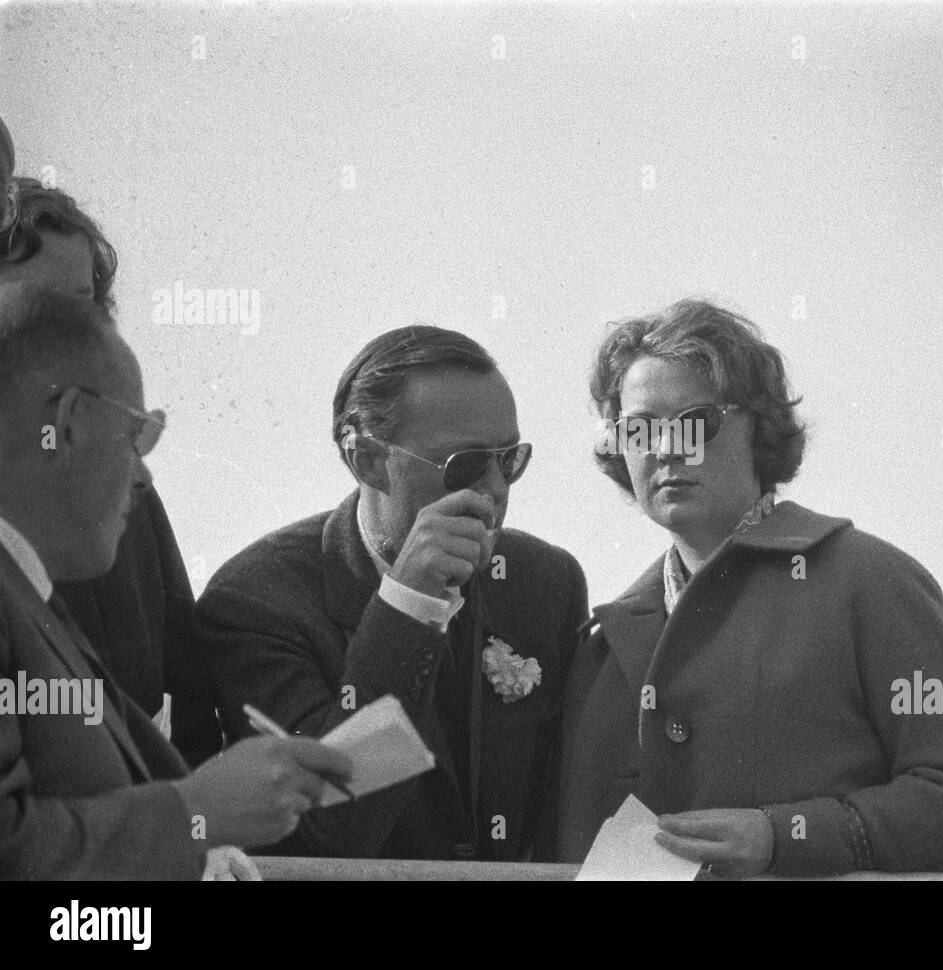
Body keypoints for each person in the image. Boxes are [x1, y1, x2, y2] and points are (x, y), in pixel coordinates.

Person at [557, 298, 943, 877]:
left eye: (697, 421)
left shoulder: (873, 581)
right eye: (639, 429)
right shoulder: (602, 646)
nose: (667, 448)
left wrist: (782, 835)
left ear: (760, 429)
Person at [196, 325, 589, 862]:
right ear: (367, 460)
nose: (496, 490)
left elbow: (560, 805)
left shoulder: (544, 581)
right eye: (466, 464)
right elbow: (331, 826)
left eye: (510, 460)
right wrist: (406, 608)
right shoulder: (258, 601)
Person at [0, 285, 353, 879]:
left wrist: (198, 849)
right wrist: (197, 813)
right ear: (66, 424)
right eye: (138, 436)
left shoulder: (30, 595)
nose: (142, 476)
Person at [0, 170, 222, 767]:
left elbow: (186, 696)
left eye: (89, 308)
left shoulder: (131, 497)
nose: (83, 333)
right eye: (45, 311)